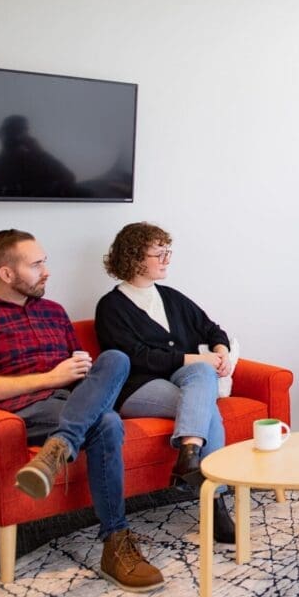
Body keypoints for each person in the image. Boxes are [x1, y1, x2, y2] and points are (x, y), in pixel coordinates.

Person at [0, 229, 164, 592]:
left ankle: (58, 448)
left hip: (69, 404)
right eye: (36, 264)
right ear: (7, 274)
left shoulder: (53, 312)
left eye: (45, 261)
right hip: (22, 414)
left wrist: (80, 369)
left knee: (115, 360)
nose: (46, 271)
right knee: (107, 422)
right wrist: (50, 377)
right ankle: (115, 542)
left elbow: (79, 376)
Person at [94, 222, 235, 544]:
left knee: (202, 377)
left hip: (181, 380)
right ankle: (215, 505)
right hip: (136, 387)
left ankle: (189, 452)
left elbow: (211, 328)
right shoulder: (111, 306)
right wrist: (192, 359)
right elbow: (135, 357)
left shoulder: (171, 297)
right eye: (159, 253)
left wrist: (220, 351)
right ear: (134, 257)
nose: (166, 259)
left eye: (167, 252)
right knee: (207, 408)